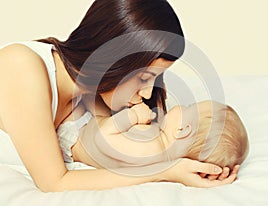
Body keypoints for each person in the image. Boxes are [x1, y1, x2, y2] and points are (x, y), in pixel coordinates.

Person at [0, 0, 239, 192]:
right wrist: (166, 172)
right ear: (116, 58)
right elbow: (54, 182)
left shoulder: (101, 100)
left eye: (154, 79)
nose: (147, 93)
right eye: (145, 77)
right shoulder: (21, 67)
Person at [57, 100, 248, 175]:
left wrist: (132, 116)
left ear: (183, 130)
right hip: (86, 126)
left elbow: (102, 139)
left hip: (73, 134)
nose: (181, 106)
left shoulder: (150, 148)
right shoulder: (159, 152)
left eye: (188, 107)